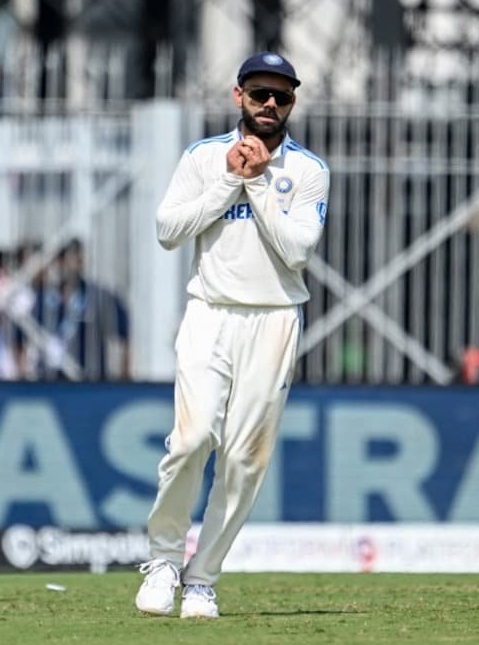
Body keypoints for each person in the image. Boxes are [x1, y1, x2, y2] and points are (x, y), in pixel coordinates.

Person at [134, 52, 330, 618]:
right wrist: (229, 180)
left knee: (245, 459)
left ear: (292, 102)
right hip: (211, 312)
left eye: (282, 96)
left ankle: (202, 579)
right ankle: (165, 560)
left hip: (274, 318)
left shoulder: (309, 170)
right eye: (259, 93)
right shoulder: (202, 157)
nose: (270, 105)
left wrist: (261, 183)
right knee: (192, 441)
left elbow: (297, 252)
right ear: (237, 95)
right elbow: (168, 230)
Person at [20, 238, 130, 381]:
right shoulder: (43, 299)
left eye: (75, 259)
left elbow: (124, 336)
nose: (68, 265)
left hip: (89, 380)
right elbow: (25, 339)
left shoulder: (98, 297)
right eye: (63, 259)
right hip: (48, 380)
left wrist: (124, 375)